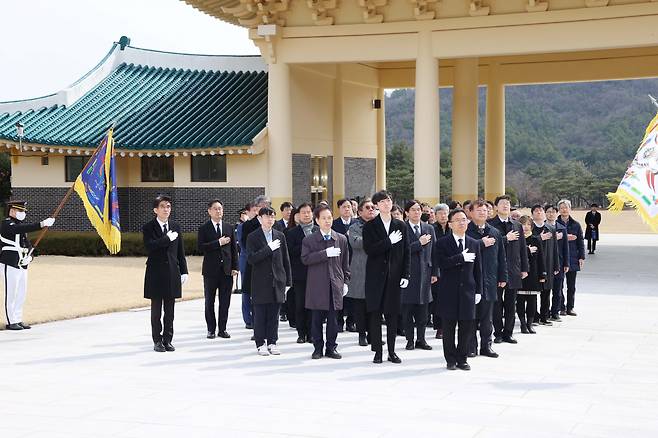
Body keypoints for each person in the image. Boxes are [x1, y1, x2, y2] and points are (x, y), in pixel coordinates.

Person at [363, 190, 410, 364]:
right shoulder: (369, 226)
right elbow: (370, 249)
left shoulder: (401, 225)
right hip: (375, 277)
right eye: (382, 202)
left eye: (388, 200)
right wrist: (388, 242)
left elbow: (407, 252)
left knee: (392, 315)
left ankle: (392, 350)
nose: (386, 203)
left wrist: (406, 274)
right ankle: (377, 351)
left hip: (395, 277)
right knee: (375, 314)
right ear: (376, 206)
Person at [435, 208, 482, 371]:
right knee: (448, 328)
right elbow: (441, 263)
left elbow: (478, 270)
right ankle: (450, 359)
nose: (462, 222)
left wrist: (479, 291)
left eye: (464, 219)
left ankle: (462, 358)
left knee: (466, 327)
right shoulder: (442, 243)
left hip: (468, 291)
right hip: (448, 291)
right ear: (450, 224)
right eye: (458, 220)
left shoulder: (474, 243)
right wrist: (460, 258)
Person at [302, 205, 351, 360]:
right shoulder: (309, 240)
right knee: (316, 319)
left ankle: (331, 347)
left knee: (333, 320)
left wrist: (345, 282)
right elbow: (305, 259)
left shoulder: (341, 239)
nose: (327, 221)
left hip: (334, 284)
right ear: (317, 220)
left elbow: (345, 263)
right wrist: (324, 254)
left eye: (329, 217)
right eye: (323, 218)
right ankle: (317, 348)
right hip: (317, 285)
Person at [142, 195, 189, 352]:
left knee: (170, 310)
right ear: (155, 210)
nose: (166, 209)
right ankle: (157, 340)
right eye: (162, 206)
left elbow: (180, 252)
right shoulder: (149, 227)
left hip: (171, 273)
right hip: (155, 273)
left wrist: (184, 271)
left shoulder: (175, 226)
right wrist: (166, 239)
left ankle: (168, 339)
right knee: (156, 310)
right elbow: (150, 246)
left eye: (168, 206)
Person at [1, 200, 55, 330]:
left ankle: (18, 319)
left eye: (23, 211)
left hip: (22, 263)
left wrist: (30, 257)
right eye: (20, 211)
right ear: (12, 211)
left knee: (21, 293)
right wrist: (41, 224)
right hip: (10, 262)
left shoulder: (20, 225)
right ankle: (11, 321)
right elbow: (18, 230)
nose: (22, 213)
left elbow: (27, 244)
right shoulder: (7, 224)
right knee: (11, 293)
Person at [247, 207, 292, 356]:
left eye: (272, 216)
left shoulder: (280, 235)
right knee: (260, 315)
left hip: (277, 281)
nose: (270, 219)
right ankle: (260, 343)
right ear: (260, 219)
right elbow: (252, 259)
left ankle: (272, 342)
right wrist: (268, 249)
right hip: (260, 282)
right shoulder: (253, 237)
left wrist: (288, 282)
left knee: (274, 315)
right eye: (267, 216)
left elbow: (286, 260)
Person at [466, 200, 507, 358]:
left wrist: (503, 276)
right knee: (471, 317)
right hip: (471, 280)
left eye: (485, 210)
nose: (483, 212)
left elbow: (501, 257)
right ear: (471, 212)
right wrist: (480, 243)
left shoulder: (494, 232)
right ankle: (471, 346)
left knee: (487, 317)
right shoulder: (466, 230)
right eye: (479, 210)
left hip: (490, 280)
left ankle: (486, 346)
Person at [488, 195, 528, 344]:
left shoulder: (516, 225)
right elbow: (491, 245)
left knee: (511, 303)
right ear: (496, 207)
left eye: (508, 203)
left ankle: (508, 333)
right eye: (502, 203)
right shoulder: (490, 225)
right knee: (497, 304)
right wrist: (506, 238)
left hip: (513, 270)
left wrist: (524, 268)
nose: (505, 206)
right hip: (496, 270)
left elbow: (523, 248)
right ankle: (498, 333)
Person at [198, 200, 238, 339]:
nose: (218, 211)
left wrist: (235, 267)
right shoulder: (204, 228)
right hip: (210, 271)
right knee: (209, 301)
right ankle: (211, 329)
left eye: (220, 208)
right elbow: (201, 247)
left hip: (226, 271)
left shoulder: (229, 227)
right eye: (215, 209)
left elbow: (234, 249)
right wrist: (218, 243)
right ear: (209, 211)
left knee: (225, 301)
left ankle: (222, 329)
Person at [402, 200, 437, 351]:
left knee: (423, 312)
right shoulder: (402, 228)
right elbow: (400, 252)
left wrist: (435, 272)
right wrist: (419, 243)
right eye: (413, 210)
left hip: (425, 274)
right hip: (408, 274)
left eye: (418, 209)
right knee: (408, 310)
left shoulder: (429, 228)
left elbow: (435, 252)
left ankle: (421, 339)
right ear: (407, 212)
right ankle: (409, 339)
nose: (416, 212)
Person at [285, 203, 318, 343]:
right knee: (300, 304)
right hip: (299, 273)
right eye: (303, 212)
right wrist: (307, 244)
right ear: (298, 215)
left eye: (308, 212)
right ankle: (301, 333)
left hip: (317, 273)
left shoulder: (319, 230)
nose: (306, 214)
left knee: (314, 304)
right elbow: (290, 251)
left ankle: (312, 333)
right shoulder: (292, 232)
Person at [347, 198, 376, 347]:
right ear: (360, 211)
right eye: (367, 207)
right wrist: (373, 239)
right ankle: (361, 334)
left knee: (374, 306)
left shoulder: (380, 225)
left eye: (373, 207)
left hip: (376, 269)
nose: (371, 209)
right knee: (360, 305)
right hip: (360, 270)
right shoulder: (354, 226)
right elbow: (356, 242)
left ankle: (373, 335)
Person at [240, 196, 271, 330]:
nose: (265, 207)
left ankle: (266, 321)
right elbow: (246, 245)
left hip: (270, 266)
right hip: (253, 264)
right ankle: (250, 320)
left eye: (267, 205)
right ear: (256, 208)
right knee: (249, 293)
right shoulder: (248, 225)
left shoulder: (273, 223)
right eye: (262, 205)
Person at [516, 215, 546, 334]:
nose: (526, 227)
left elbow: (541, 259)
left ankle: (530, 323)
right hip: (520, 274)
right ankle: (523, 324)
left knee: (532, 301)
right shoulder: (516, 239)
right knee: (520, 300)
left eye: (528, 224)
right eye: (523, 224)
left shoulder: (536, 239)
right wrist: (527, 251)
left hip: (533, 273)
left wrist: (542, 275)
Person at [531, 205, 560, 325]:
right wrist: (539, 238)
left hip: (548, 264)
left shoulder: (550, 228)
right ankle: (534, 317)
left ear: (544, 214)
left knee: (546, 292)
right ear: (532, 214)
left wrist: (556, 265)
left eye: (541, 211)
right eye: (536, 211)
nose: (539, 213)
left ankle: (544, 317)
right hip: (534, 265)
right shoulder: (529, 228)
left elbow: (555, 249)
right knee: (533, 293)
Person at [556, 199, 585, 317]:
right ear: (559, 209)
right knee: (559, 285)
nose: (564, 209)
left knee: (571, 286)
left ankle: (570, 307)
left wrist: (581, 257)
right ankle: (561, 307)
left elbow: (580, 242)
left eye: (566, 207)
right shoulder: (554, 224)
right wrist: (564, 237)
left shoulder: (576, 224)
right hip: (560, 258)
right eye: (562, 207)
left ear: (570, 209)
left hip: (573, 257)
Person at [332, 198, 354, 332]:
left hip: (355, 262)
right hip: (339, 262)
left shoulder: (357, 224)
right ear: (339, 209)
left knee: (352, 294)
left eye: (349, 207)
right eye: (344, 207)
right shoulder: (334, 224)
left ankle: (351, 321)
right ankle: (338, 321)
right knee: (339, 293)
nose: (347, 209)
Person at [545, 204, 570, 322]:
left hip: (559, 263)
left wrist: (566, 263)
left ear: (556, 213)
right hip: (546, 263)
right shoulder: (542, 227)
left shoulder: (562, 228)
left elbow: (566, 248)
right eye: (548, 212)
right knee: (545, 290)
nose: (551, 214)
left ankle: (555, 312)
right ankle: (545, 313)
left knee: (558, 290)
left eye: (553, 212)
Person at [431, 203, 450, 338]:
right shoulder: (431, 229)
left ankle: (449, 325)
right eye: (440, 213)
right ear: (435, 215)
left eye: (445, 213)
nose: (443, 216)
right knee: (438, 299)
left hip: (452, 266)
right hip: (437, 268)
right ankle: (439, 327)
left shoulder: (453, 228)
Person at [237, 202, 257, 329]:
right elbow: (243, 246)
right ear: (247, 212)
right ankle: (247, 319)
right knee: (246, 292)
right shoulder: (242, 227)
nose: (256, 212)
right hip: (246, 262)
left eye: (257, 210)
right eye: (254, 210)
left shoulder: (260, 225)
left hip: (258, 263)